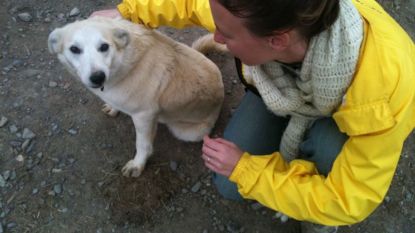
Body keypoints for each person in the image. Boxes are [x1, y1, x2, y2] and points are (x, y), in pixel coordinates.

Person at [91, 0, 415, 232]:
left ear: (277, 40)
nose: (217, 38)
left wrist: (249, 171)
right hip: (286, 87)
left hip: (351, 111)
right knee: (227, 184)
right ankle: (296, 149)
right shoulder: (255, 10)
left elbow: (350, 200)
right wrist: (127, 13)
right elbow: (192, 5)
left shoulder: (382, 98)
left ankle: (315, 203)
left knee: (324, 165)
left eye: (226, 36)